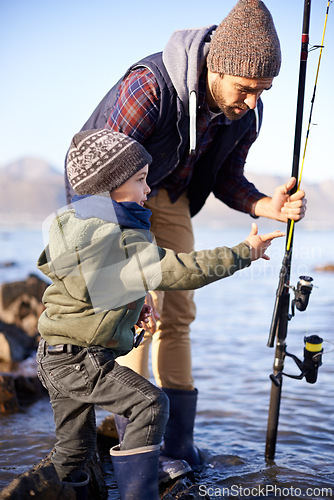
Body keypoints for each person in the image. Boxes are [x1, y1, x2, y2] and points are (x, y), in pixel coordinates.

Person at [64, 0, 306, 470]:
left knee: (179, 311)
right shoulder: (149, 88)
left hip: (169, 193)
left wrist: (265, 205)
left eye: (265, 90)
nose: (254, 101)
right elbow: (96, 178)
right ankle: (133, 439)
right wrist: (120, 270)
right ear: (217, 67)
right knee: (134, 313)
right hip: (112, 194)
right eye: (247, 88)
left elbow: (226, 178)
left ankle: (176, 445)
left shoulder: (246, 112)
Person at [38, 129, 284, 499]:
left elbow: (95, 291)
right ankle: (141, 492)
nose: (148, 190)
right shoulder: (119, 239)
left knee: (75, 450)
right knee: (150, 403)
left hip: (52, 355)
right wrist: (243, 252)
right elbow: (183, 270)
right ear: (109, 188)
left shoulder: (79, 228)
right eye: (140, 180)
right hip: (80, 361)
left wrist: (136, 299)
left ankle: (60, 492)